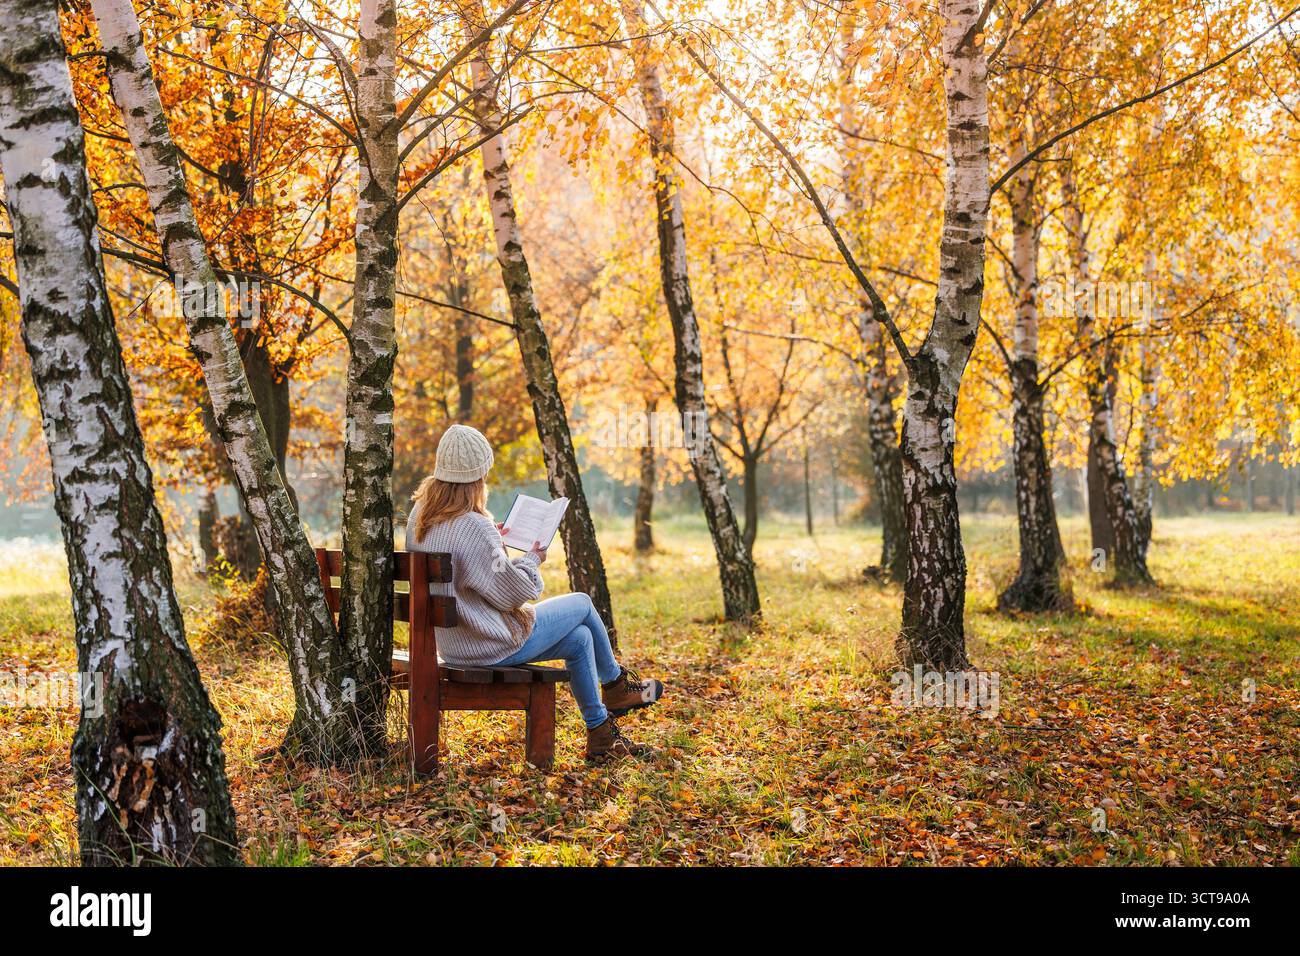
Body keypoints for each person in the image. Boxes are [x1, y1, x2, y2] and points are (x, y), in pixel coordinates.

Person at [405, 424, 664, 761]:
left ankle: (601, 735)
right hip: (488, 644)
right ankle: (616, 687)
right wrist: (532, 558)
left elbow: (473, 569)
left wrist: (494, 544)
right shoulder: (473, 525)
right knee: (583, 604)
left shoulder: (420, 518)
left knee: (580, 638)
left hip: (454, 645)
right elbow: (513, 594)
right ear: (478, 477)